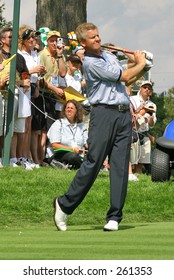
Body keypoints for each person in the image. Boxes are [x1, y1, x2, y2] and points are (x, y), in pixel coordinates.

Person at [53, 22, 147, 232]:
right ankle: (64, 204)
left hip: (123, 114)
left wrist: (143, 66)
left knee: (121, 167)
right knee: (94, 163)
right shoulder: (90, 63)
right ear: (83, 43)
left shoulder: (109, 56)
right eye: (92, 37)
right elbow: (124, 76)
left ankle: (115, 216)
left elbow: (129, 78)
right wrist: (141, 62)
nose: (97, 39)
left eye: (98, 35)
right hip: (103, 114)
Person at [0, 27, 31, 168]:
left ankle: (13, 158)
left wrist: (26, 81)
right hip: (3, 95)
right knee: (3, 129)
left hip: (19, 96)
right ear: (2, 40)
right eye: (10, 37)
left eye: (14, 37)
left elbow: (25, 73)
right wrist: (20, 82)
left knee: (15, 130)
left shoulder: (19, 56)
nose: (13, 39)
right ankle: (3, 156)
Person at [38, 30, 67, 162]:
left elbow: (62, 73)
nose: (55, 43)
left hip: (54, 95)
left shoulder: (59, 55)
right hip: (43, 93)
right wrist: (54, 88)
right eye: (52, 41)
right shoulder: (43, 55)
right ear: (47, 42)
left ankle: (47, 157)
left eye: (57, 40)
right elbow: (40, 78)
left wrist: (60, 56)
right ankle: (40, 156)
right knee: (43, 128)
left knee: (51, 125)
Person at [47, 99, 88, 169]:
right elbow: (55, 146)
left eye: (72, 108)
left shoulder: (81, 126)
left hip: (77, 155)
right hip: (59, 154)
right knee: (74, 157)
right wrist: (72, 149)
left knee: (91, 158)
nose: (69, 110)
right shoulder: (58, 123)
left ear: (76, 111)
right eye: (67, 108)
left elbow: (87, 144)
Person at [130, 80, 157, 174]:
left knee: (140, 163)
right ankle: (130, 177)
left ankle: (137, 181)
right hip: (133, 132)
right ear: (140, 89)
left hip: (144, 134)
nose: (147, 89)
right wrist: (140, 110)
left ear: (151, 91)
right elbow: (131, 115)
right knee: (131, 160)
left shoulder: (153, 105)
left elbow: (152, 124)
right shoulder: (132, 99)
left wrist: (150, 118)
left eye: (149, 88)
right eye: (145, 87)